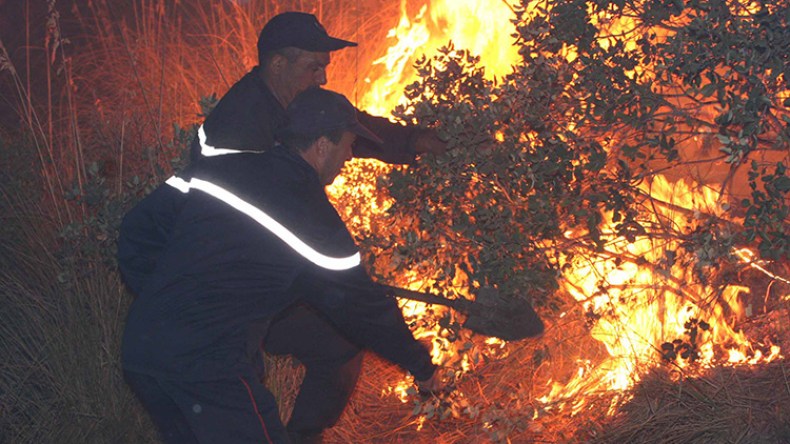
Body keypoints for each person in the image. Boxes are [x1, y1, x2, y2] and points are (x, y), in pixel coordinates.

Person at [117, 12, 446, 443]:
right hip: (209, 344)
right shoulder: (238, 138)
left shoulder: (292, 114)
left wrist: (411, 141)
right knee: (302, 358)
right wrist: (193, 297)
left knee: (338, 348)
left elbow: (339, 126)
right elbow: (360, 302)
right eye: (314, 67)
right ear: (278, 64)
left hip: (156, 342)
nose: (322, 78)